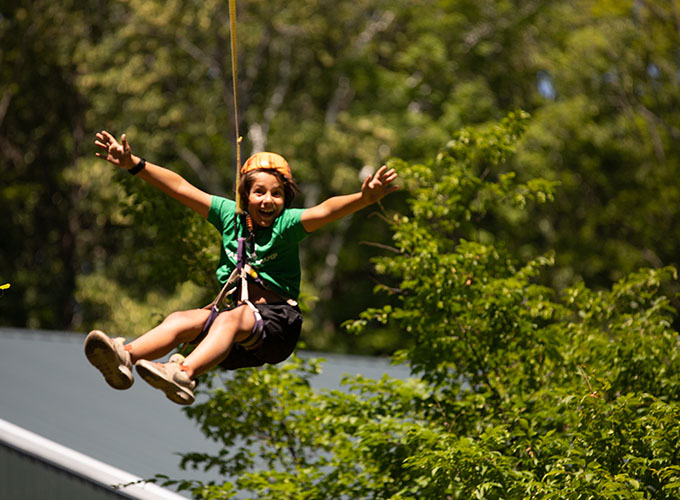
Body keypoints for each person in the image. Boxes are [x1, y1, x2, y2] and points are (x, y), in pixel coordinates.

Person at [84, 130, 398, 405]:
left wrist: (363, 197)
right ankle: (126, 356)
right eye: (259, 191)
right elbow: (180, 188)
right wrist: (135, 165)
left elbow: (325, 210)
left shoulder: (286, 225)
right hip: (237, 334)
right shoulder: (228, 216)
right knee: (182, 318)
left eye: (277, 194)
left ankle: (183, 373)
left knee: (232, 319)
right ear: (244, 195)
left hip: (278, 326)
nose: (268, 200)